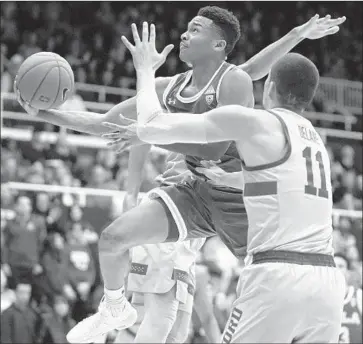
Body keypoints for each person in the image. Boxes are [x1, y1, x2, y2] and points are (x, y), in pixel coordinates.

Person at [15, 8, 346, 343]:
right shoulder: (166, 87)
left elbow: (216, 145)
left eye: (195, 29)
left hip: (241, 198)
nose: (185, 34)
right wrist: (43, 113)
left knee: (257, 273)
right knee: (114, 239)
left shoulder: (233, 80)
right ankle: (113, 306)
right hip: (194, 193)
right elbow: (105, 124)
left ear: (218, 44)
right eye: (186, 27)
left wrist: (297, 34)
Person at [113, 22, 347, 342]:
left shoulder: (256, 122)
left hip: (276, 274)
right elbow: (274, 183)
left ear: (268, 88)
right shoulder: (315, 141)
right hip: (328, 282)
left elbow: (153, 125)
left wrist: (144, 71)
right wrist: (231, 178)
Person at [334, 253, 362, 344]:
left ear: (348, 271)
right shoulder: (320, 298)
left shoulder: (359, 295)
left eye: (341, 266)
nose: (337, 269)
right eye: (333, 266)